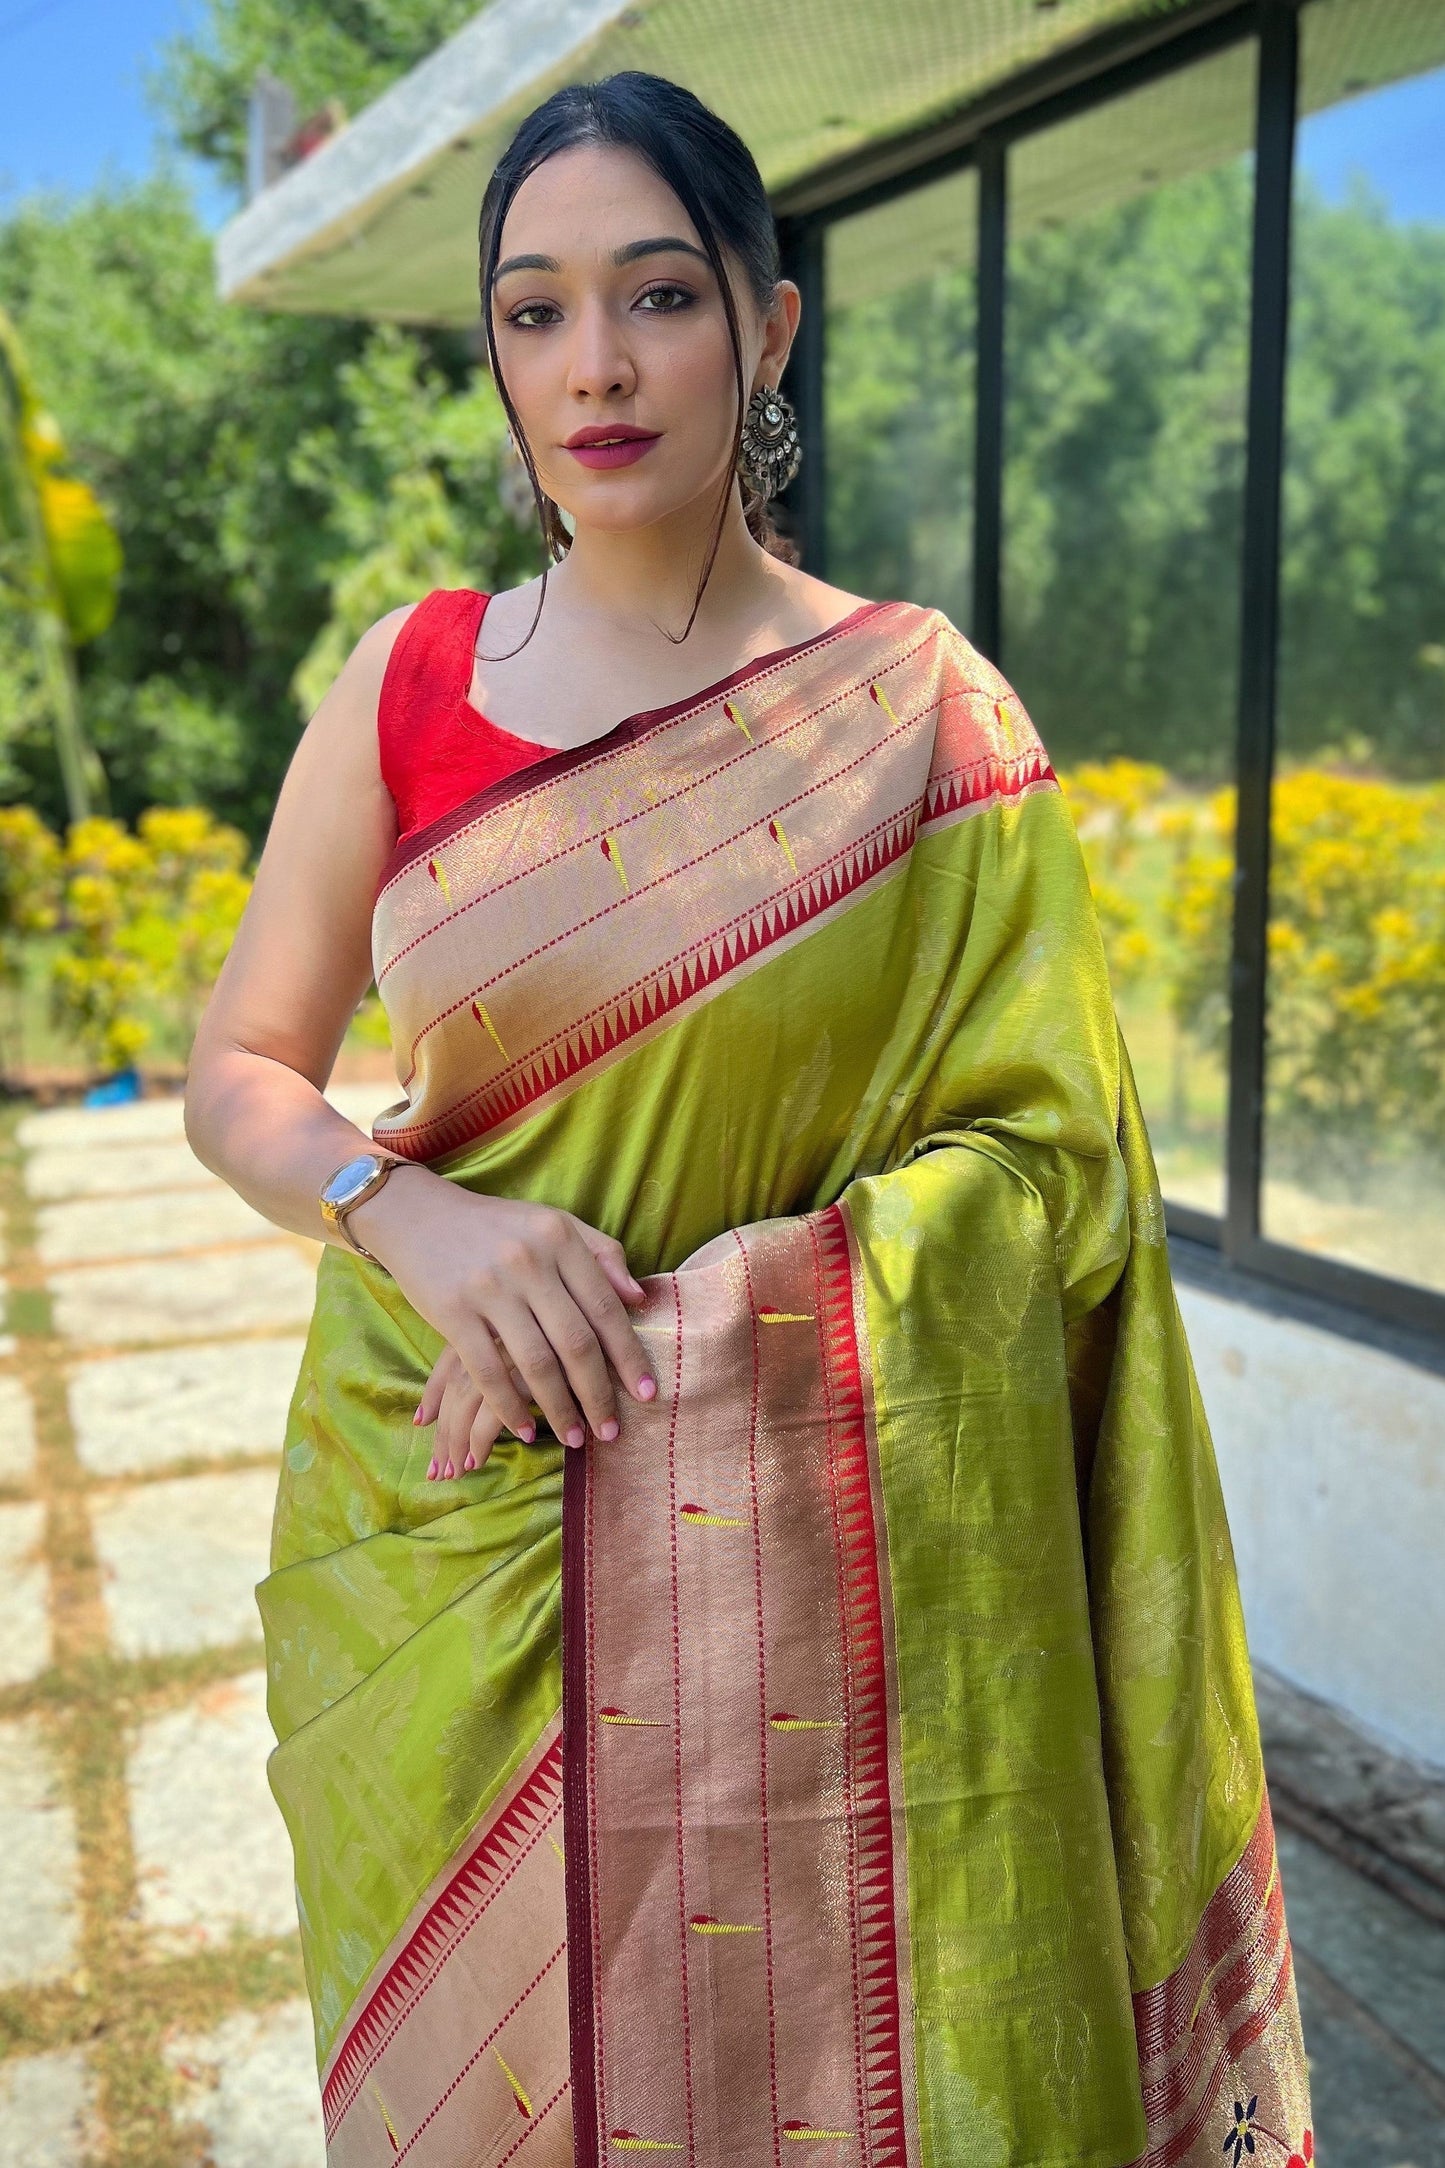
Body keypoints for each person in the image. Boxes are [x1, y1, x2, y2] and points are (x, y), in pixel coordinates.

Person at [185, 69, 1312, 2168]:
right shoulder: (408, 683)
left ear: (766, 326)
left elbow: (1051, 1175)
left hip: (851, 1615)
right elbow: (241, 1070)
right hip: (459, 1555)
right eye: (534, 312)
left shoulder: (921, 711)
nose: (593, 366)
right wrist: (408, 1211)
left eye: (657, 296)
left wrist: (709, 1331)